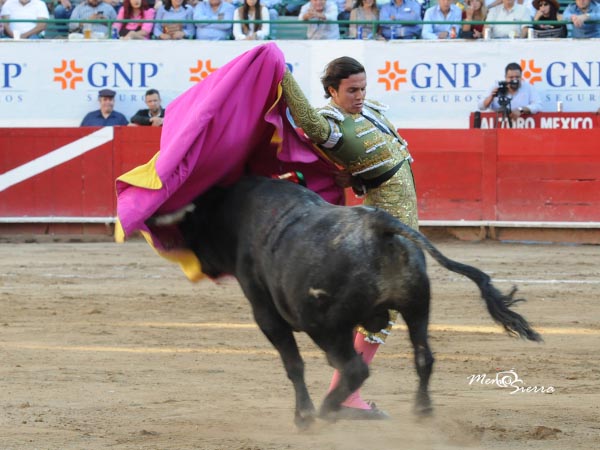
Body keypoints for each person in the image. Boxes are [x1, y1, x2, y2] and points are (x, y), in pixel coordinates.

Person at [280, 56, 418, 420]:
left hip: (395, 218)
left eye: (363, 88)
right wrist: (280, 70)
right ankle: (344, 396)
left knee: (380, 310)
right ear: (332, 91)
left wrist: (354, 177)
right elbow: (307, 119)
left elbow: (377, 157)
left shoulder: (365, 108)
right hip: (386, 223)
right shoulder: (330, 123)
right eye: (352, 90)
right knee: (380, 311)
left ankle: (344, 394)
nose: (360, 95)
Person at [478, 62, 542, 123]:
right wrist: (491, 97)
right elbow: (481, 107)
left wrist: (521, 110)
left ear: (521, 77)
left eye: (517, 77)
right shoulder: (496, 87)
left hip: (521, 126)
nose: (514, 80)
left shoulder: (528, 87)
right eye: (511, 77)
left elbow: (538, 106)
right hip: (498, 125)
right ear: (505, 77)